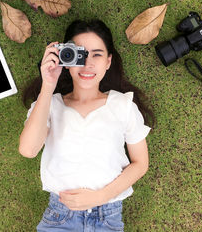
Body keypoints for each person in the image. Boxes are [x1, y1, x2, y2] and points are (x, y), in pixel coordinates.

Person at [19, 19, 154, 231]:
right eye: (79, 55)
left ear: (108, 62)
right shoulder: (49, 106)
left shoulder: (123, 105)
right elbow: (28, 150)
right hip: (59, 218)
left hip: (107, 215)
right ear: (66, 58)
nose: (87, 64)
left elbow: (140, 163)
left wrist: (100, 196)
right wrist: (48, 84)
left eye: (97, 54)